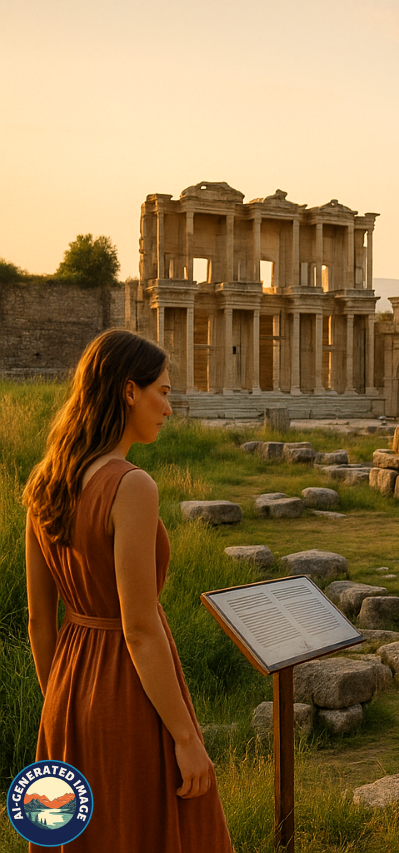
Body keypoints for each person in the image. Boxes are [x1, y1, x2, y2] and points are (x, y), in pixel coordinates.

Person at [21, 329, 233, 852]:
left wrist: (61, 705)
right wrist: (186, 737)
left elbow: (38, 622)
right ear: (128, 391)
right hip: (129, 692)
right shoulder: (131, 486)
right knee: (150, 831)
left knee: (77, 834)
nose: (169, 406)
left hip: (68, 688)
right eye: (162, 390)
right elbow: (138, 629)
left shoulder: (45, 482)